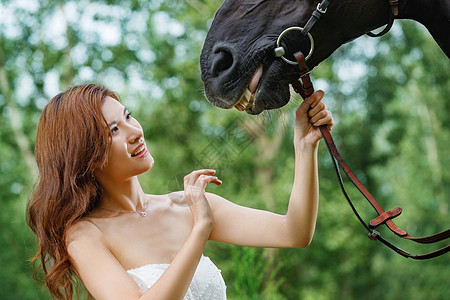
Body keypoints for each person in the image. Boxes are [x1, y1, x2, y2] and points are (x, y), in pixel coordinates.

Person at [27, 83, 334, 300]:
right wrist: (201, 229)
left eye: (129, 116)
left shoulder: (186, 206)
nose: (135, 132)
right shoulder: (85, 235)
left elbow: (293, 232)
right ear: (83, 154)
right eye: (114, 130)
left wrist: (304, 147)